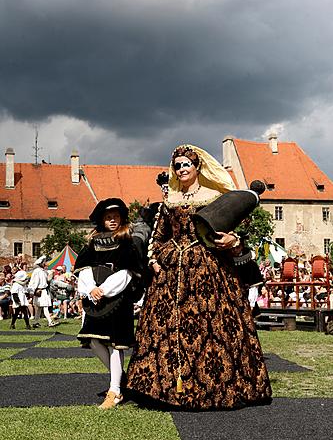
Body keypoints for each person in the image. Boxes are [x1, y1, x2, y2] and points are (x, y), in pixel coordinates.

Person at [127, 144, 272, 410]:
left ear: (197, 167)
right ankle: (168, 390)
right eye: (177, 165)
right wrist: (155, 259)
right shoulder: (169, 201)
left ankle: (215, 388)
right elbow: (158, 237)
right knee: (165, 331)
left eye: (186, 164)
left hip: (209, 268)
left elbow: (234, 230)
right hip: (171, 271)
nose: (181, 169)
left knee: (214, 328)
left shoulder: (216, 196)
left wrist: (232, 240)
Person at [74, 198, 143, 410]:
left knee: (115, 345)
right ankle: (120, 380)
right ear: (102, 220)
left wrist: (104, 290)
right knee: (94, 341)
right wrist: (91, 289)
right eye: (108, 217)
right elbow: (83, 269)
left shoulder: (127, 243)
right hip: (94, 299)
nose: (112, 220)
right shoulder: (91, 244)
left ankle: (114, 391)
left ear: (121, 218)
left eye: (116, 216)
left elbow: (126, 273)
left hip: (117, 299)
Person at [28, 255, 58, 328]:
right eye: (44, 262)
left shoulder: (42, 271)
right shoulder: (37, 271)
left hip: (43, 290)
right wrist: (32, 291)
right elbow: (35, 282)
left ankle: (36, 322)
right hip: (40, 291)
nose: (45, 263)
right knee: (44, 307)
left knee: (39, 308)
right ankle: (50, 322)